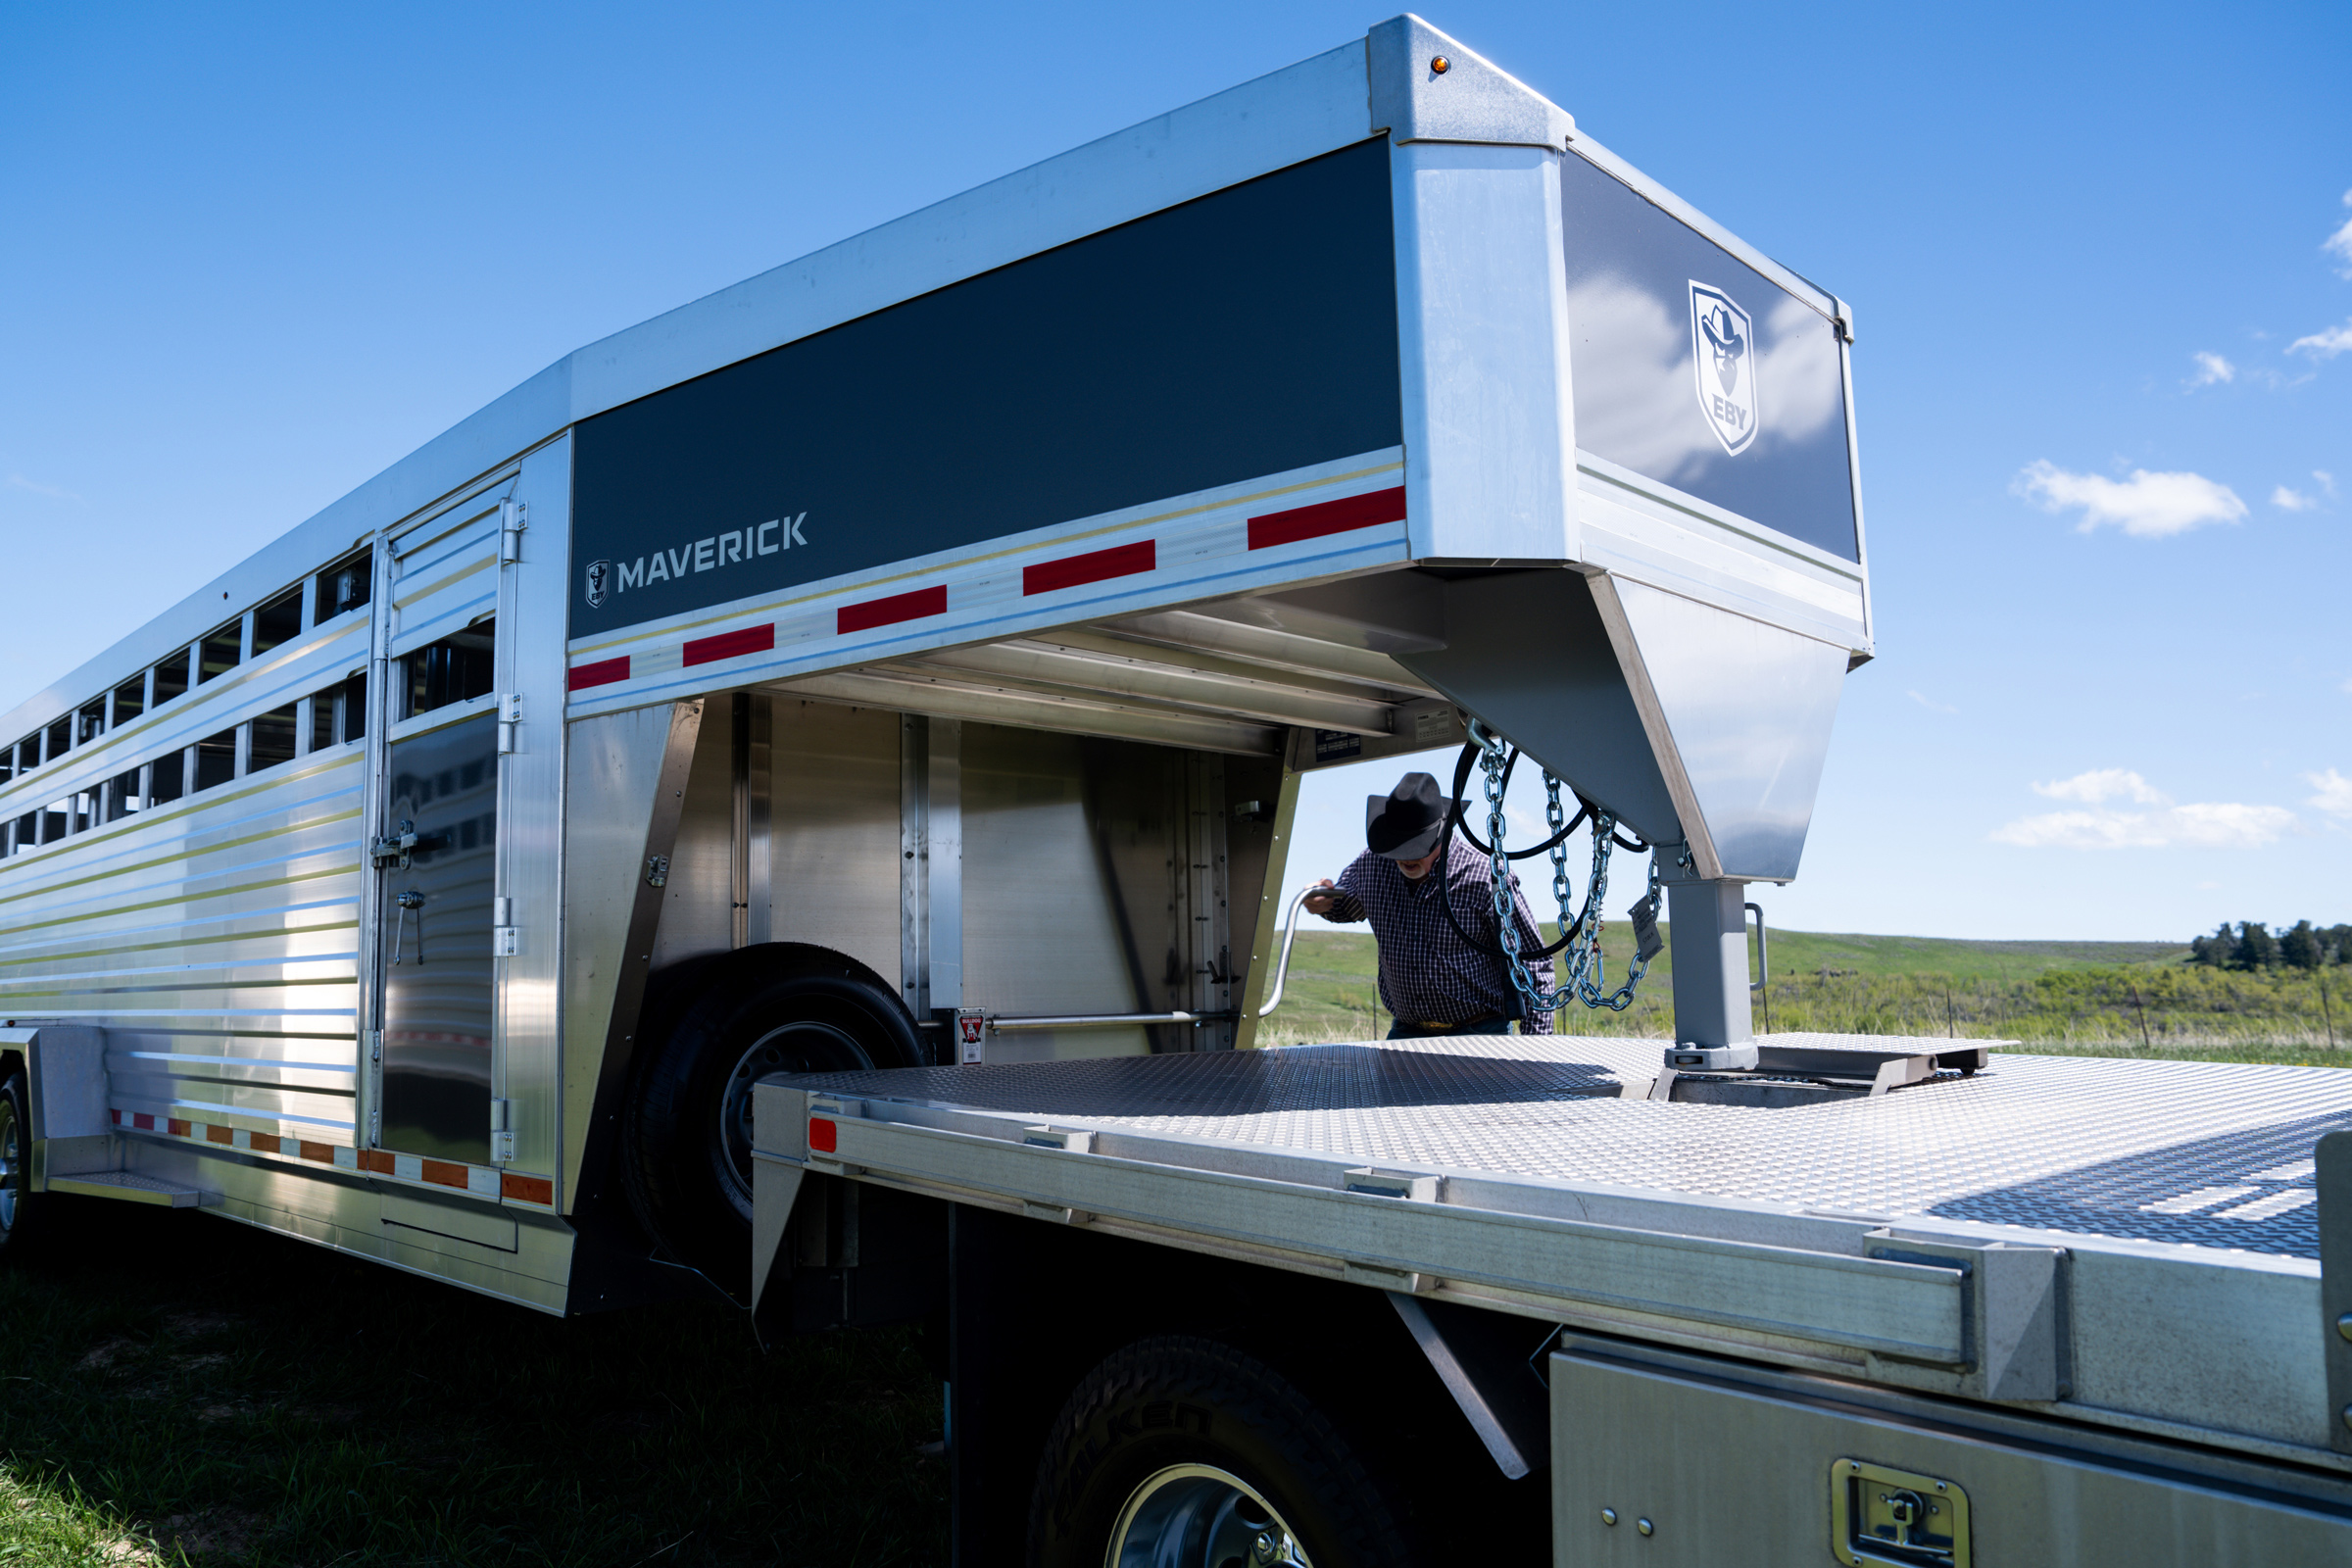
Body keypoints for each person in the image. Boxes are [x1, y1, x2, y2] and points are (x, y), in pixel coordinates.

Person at [1304, 771, 1555, 1037]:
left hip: (1479, 1031)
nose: (1405, 858)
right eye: (1397, 847)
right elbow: (1347, 906)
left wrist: (1536, 1049)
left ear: (1440, 833)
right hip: (1405, 1031)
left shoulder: (1485, 876)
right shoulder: (1373, 863)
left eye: (1415, 847)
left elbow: (1534, 965)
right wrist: (1323, 902)